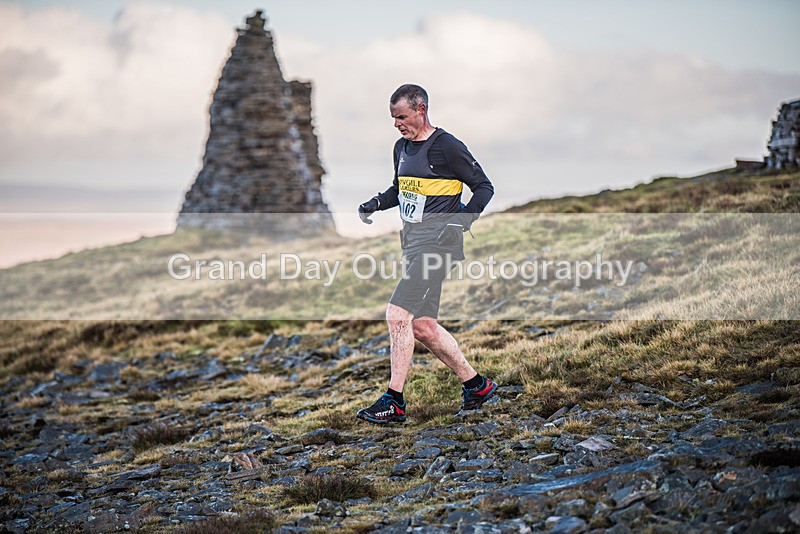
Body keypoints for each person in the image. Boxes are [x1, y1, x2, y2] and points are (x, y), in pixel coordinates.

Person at [355, 84, 497, 424]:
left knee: (397, 314)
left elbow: (484, 187)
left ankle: (394, 401)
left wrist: (460, 222)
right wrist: (376, 203)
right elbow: (401, 188)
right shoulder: (401, 148)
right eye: (393, 118)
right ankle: (477, 386)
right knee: (423, 326)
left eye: (402, 117)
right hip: (414, 244)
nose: (397, 124)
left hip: (439, 246)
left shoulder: (447, 146)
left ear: (421, 110)